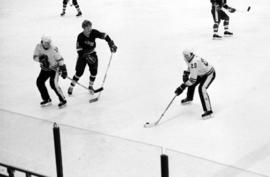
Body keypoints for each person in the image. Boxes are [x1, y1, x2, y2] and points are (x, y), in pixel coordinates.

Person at [67, 20, 117, 95]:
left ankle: (90, 86)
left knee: (94, 72)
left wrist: (111, 43)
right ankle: (71, 86)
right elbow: (78, 49)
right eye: (87, 27)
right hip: (82, 56)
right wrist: (85, 56)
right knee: (79, 72)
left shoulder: (94, 32)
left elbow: (105, 35)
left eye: (90, 26)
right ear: (83, 28)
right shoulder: (80, 36)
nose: (89, 29)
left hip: (92, 54)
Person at [175, 49, 216, 119]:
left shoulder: (194, 62)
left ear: (191, 54)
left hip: (209, 74)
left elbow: (192, 80)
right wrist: (187, 72)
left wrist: (182, 87)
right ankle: (189, 98)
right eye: (186, 56)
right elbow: (189, 66)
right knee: (191, 83)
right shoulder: (189, 58)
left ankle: (208, 111)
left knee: (201, 88)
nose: (187, 57)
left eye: (188, 56)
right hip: (200, 73)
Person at [33, 36, 68, 108]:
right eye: (46, 43)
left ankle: (63, 100)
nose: (47, 44)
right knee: (39, 82)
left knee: (53, 84)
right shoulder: (38, 46)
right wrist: (40, 59)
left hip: (54, 69)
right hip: (45, 69)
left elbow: (60, 59)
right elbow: (34, 57)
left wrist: (64, 70)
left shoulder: (53, 48)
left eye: (49, 43)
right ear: (42, 42)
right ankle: (46, 99)